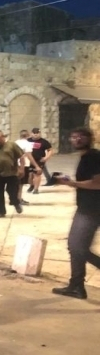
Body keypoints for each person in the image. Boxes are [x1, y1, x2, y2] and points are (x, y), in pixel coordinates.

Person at [52, 128, 100, 299]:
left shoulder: (93, 156)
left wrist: (71, 183)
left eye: (81, 136)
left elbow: (97, 183)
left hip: (91, 209)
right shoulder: (86, 157)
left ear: (90, 138)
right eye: (74, 136)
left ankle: (76, 286)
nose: (77, 139)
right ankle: (76, 286)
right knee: (77, 247)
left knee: (76, 247)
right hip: (88, 207)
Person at [0, 130, 40, 218]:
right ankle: (0, 212)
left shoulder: (12, 145)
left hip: (11, 173)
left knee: (12, 191)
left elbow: (21, 157)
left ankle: (16, 202)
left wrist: (22, 169)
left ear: (2, 136)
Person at [27, 128, 53, 193]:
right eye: (34, 133)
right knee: (30, 175)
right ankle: (31, 185)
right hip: (29, 160)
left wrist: (46, 158)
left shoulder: (44, 142)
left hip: (39, 160)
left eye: (37, 133)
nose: (36, 134)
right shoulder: (28, 141)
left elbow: (50, 150)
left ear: (40, 133)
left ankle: (36, 189)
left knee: (37, 174)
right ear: (31, 133)